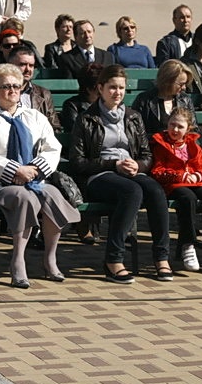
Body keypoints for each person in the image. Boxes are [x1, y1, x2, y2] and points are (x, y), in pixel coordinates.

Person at [0, 64, 80, 287]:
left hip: (34, 180)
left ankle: (50, 258)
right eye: (6, 86)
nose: (12, 90)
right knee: (24, 197)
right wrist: (16, 170)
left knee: (52, 194)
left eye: (16, 86)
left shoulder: (34, 117)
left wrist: (34, 170)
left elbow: (52, 148)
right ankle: (18, 259)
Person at [71, 64, 172, 284]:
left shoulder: (133, 117)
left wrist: (139, 165)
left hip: (130, 171)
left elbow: (146, 154)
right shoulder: (87, 119)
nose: (117, 92)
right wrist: (113, 164)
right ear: (100, 88)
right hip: (99, 176)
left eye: (121, 88)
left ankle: (161, 257)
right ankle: (113, 259)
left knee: (155, 191)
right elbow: (78, 162)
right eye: (112, 87)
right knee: (132, 191)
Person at [151, 106, 202, 271]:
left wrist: (198, 176)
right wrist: (180, 176)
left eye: (180, 126)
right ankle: (188, 245)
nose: (175, 129)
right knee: (188, 199)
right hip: (174, 184)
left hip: (195, 181)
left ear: (188, 129)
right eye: (172, 125)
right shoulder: (160, 143)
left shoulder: (192, 144)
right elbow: (157, 170)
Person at [131, 59, 195, 137]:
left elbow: (193, 129)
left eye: (185, 84)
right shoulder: (144, 100)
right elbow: (136, 130)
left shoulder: (185, 100)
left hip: (180, 147)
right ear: (168, 81)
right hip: (152, 146)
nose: (184, 88)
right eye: (181, 84)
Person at [7, 46, 61, 131]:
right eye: (22, 64)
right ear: (10, 66)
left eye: (31, 65)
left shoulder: (43, 94)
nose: (28, 69)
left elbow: (54, 127)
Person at [61, 63, 104, 134]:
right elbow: (76, 132)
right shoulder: (72, 106)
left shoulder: (108, 104)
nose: (103, 95)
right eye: (99, 93)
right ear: (88, 89)